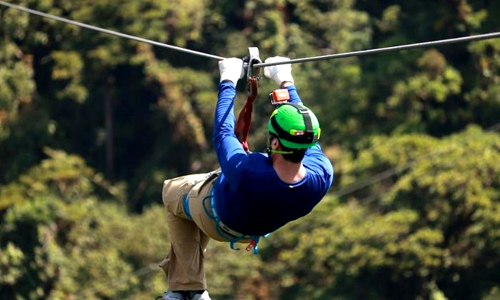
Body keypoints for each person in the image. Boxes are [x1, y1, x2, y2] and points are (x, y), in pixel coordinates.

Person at [158, 56, 334, 300]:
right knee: (201, 192)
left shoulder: (248, 171)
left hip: (216, 218)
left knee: (172, 191)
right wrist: (286, 81)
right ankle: (187, 288)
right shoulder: (321, 175)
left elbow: (223, 132)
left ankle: (187, 288)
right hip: (251, 227)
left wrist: (228, 80)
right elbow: (305, 132)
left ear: (274, 142)